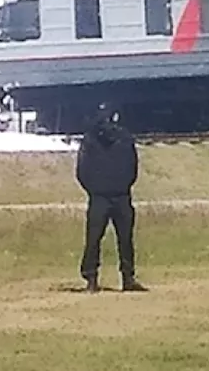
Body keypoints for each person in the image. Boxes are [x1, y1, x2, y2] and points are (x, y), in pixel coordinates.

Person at [76, 103, 147, 293]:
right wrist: (124, 185)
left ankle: (91, 278)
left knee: (93, 238)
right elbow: (133, 167)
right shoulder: (125, 137)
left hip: (99, 197)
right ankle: (128, 277)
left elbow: (82, 170)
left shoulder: (90, 139)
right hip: (122, 195)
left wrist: (94, 189)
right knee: (125, 239)